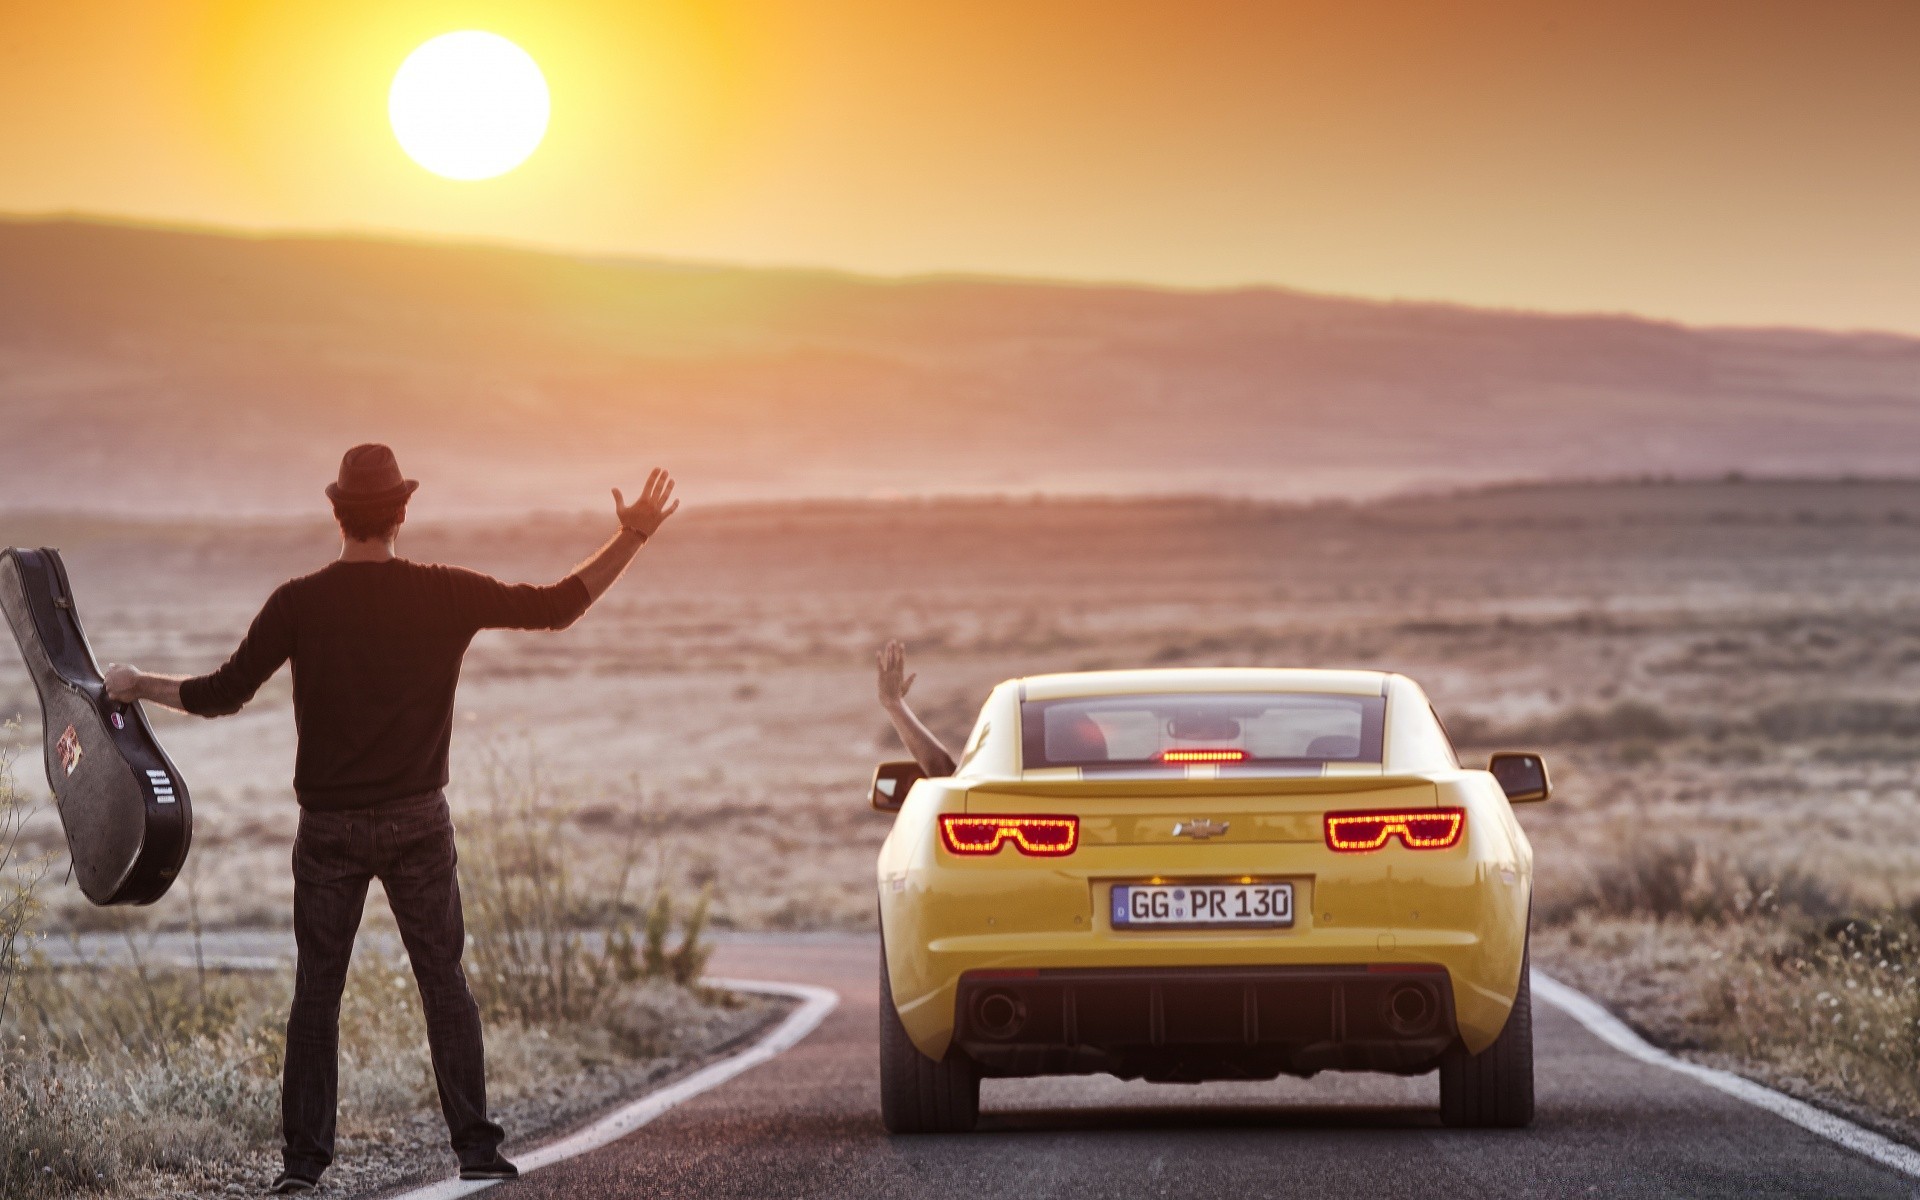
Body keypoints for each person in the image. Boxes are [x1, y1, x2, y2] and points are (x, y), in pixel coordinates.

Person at [102, 444, 679, 1195]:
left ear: (337, 512)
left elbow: (220, 693)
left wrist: (136, 683)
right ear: (402, 511)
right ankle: (476, 1148)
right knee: (445, 983)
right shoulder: (443, 593)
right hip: (418, 824)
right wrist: (633, 535)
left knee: (318, 994)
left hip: (329, 829)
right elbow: (558, 605)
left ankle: (303, 1169)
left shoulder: (299, 601)